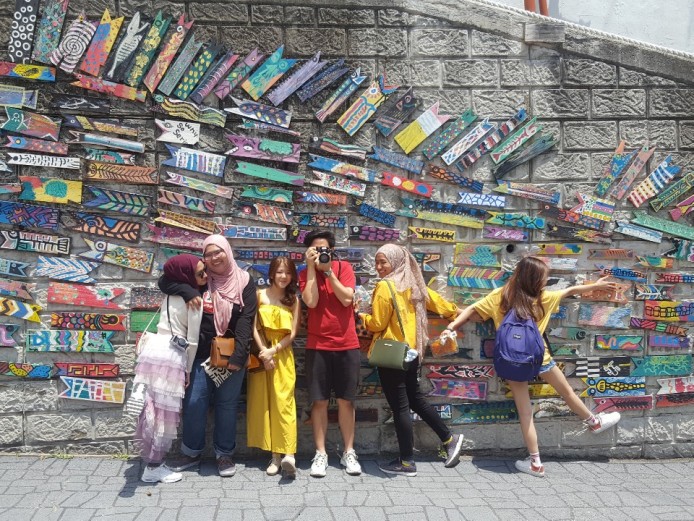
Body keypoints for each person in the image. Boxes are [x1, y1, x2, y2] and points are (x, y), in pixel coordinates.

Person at [446, 256, 622, 478]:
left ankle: (536, 463)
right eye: (544, 277)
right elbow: (571, 291)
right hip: (540, 359)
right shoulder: (544, 298)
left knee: (525, 413)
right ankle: (593, 422)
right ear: (537, 280)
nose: (546, 281)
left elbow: (472, 309)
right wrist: (595, 286)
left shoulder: (500, 296)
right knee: (567, 392)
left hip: (512, 361)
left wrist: (451, 327)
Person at [357, 244, 465, 477]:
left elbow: (377, 324)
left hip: (392, 354)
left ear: (395, 262)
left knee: (400, 407)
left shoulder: (385, 286)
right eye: (377, 262)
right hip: (412, 353)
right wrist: (459, 313)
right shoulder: (414, 284)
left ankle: (406, 462)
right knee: (414, 399)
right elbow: (441, 305)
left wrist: (362, 315)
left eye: (383, 262)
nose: (378, 267)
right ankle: (449, 438)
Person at [162, 235, 257, 478]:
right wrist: (186, 291)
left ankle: (224, 454)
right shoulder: (202, 278)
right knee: (194, 402)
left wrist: (239, 356)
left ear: (227, 251)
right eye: (209, 254)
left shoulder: (244, 281)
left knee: (227, 405)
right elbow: (165, 281)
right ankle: (191, 452)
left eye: (218, 251)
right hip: (200, 354)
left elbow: (247, 319)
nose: (214, 258)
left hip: (230, 353)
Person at [136, 254, 206, 483]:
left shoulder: (170, 293)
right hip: (172, 355)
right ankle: (153, 467)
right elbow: (192, 340)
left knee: (154, 408)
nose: (206, 276)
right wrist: (188, 369)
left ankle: (153, 460)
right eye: (200, 273)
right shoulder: (194, 300)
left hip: (153, 350)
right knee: (166, 414)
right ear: (187, 275)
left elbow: (164, 280)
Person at [298, 229, 362, 477]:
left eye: (324, 249)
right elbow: (311, 302)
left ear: (332, 250)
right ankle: (321, 453)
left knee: (347, 400)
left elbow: (347, 299)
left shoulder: (344, 267)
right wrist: (311, 268)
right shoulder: (305, 273)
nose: (320, 253)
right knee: (319, 401)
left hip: (347, 344)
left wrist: (329, 272)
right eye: (315, 249)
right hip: (318, 345)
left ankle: (349, 452)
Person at [247, 257, 300, 478]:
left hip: (283, 355)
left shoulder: (293, 300)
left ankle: (289, 454)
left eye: (287, 272)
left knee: (284, 402)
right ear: (271, 273)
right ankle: (275, 456)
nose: (283, 276)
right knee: (265, 403)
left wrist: (274, 351)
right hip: (261, 355)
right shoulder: (259, 295)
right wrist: (264, 352)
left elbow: (293, 333)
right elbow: (254, 328)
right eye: (279, 272)